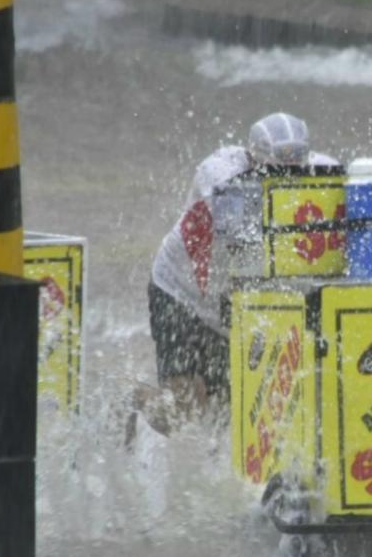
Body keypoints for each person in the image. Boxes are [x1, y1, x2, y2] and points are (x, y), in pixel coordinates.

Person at [133, 113, 338, 439]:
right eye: (273, 174)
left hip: (231, 308)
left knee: (236, 413)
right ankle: (131, 401)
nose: (284, 183)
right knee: (181, 415)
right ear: (253, 158)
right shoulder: (219, 173)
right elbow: (241, 238)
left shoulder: (325, 175)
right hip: (182, 293)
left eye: (293, 175)